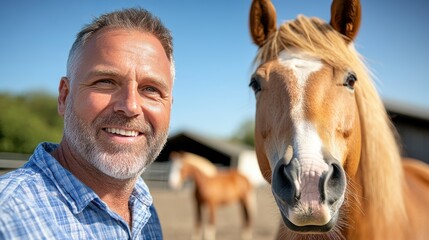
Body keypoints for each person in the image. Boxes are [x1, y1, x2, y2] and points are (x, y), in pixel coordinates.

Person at [0, 7, 174, 239]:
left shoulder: (145, 211)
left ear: (170, 105)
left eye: (150, 89)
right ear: (64, 96)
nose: (130, 106)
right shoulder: (8, 218)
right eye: (106, 82)